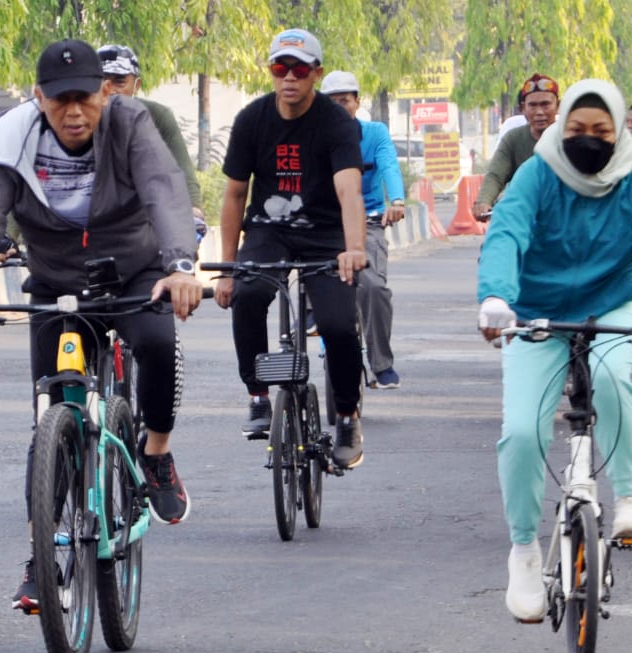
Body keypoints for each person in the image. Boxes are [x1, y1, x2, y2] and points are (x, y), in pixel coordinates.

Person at [0, 40, 202, 590]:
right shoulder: (10, 137)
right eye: (59, 101)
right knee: (48, 417)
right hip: (55, 281)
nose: (74, 113)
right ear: (38, 98)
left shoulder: (132, 124)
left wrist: (181, 265)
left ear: (105, 91)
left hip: (135, 273)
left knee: (157, 342)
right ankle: (42, 558)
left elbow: (162, 192)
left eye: (85, 98)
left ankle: (157, 453)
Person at [478, 78, 632, 622]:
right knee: (523, 432)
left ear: (619, 129)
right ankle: (526, 551)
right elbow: (505, 232)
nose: (588, 139)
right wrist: (495, 297)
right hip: (535, 310)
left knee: (610, 378)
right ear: (559, 128)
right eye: (576, 129)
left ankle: (627, 500)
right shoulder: (536, 174)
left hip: (614, 304)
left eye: (601, 130)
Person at [213, 29, 370, 469]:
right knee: (247, 295)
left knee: (338, 325)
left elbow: (349, 192)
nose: (289, 78)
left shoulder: (336, 123)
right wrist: (227, 268)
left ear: (315, 74)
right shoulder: (252, 119)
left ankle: (345, 416)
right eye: (280, 68)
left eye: (299, 70)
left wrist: (354, 248)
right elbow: (233, 196)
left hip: (327, 235)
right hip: (269, 232)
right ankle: (258, 395)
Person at [322, 70, 406, 390]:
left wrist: (395, 200)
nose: (340, 108)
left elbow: (388, 166)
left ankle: (381, 363)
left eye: (345, 101)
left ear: (357, 103)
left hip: (367, 222)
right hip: (324, 227)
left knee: (372, 287)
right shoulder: (314, 135)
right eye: (332, 103)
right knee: (306, 276)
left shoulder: (375, 134)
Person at [96, 43, 205, 230]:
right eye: (102, 82)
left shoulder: (157, 116)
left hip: (146, 220)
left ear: (136, 85)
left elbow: (182, 170)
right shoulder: (79, 122)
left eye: (119, 82)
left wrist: (193, 211)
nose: (110, 90)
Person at [473, 75, 561, 220]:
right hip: (522, 217)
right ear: (523, 109)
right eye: (532, 105)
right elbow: (495, 175)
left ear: (557, 106)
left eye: (545, 104)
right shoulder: (513, 139)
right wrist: (483, 201)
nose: (539, 112)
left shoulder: (569, 138)